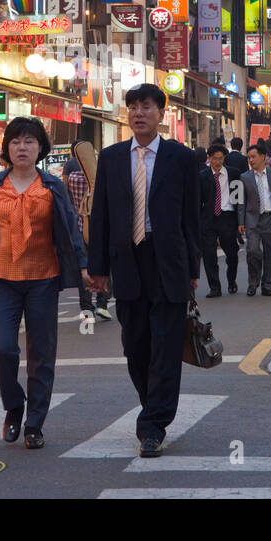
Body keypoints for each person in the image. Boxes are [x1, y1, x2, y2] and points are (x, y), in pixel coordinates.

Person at [87, 83, 201, 458]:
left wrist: (193, 269)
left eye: (146, 106)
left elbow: (191, 219)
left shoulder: (181, 159)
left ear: (160, 112)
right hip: (128, 261)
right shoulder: (112, 157)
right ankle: (152, 406)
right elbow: (100, 214)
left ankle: (152, 425)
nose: (139, 112)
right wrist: (98, 267)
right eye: (133, 106)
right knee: (135, 346)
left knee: (166, 348)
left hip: (167, 261)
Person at [0, 117, 88, 449]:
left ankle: (35, 423)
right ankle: (14, 406)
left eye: (29, 141)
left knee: (41, 354)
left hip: (43, 280)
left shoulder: (51, 187)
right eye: (16, 141)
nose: (22, 147)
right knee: (4, 349)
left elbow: (71, 232)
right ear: (7, 148)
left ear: (40, 148)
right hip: (2, 280)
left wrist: (85, 267)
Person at [237, 142, 271, 297]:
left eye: (253, 157)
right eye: (249, 158)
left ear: (263, 157)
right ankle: (253, 283)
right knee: (252, 251)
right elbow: (241, 201)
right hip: (252, 219)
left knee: (270, 254)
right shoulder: (244, 177)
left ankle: (267, 285)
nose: (251, 160)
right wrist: (241, 221)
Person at [66, 154, 111, 321]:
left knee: (84, 268)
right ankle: (102, 304)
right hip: (100, 227)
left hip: (80, 227)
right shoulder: (100, 178)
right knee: (105, 264)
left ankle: (86, 308)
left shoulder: (73, 177)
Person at [199, 144, 240, 296]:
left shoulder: (234, 174)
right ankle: (215, 287)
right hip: (208, 219)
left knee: (232, 253)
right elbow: (198, 201)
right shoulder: (202, 176)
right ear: (209, 159)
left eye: (220, 158)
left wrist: (240, 221)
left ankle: (231, 281)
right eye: (214, 158)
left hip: (227, 217)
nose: (217, 162)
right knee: (209, 255)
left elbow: (239, 198)